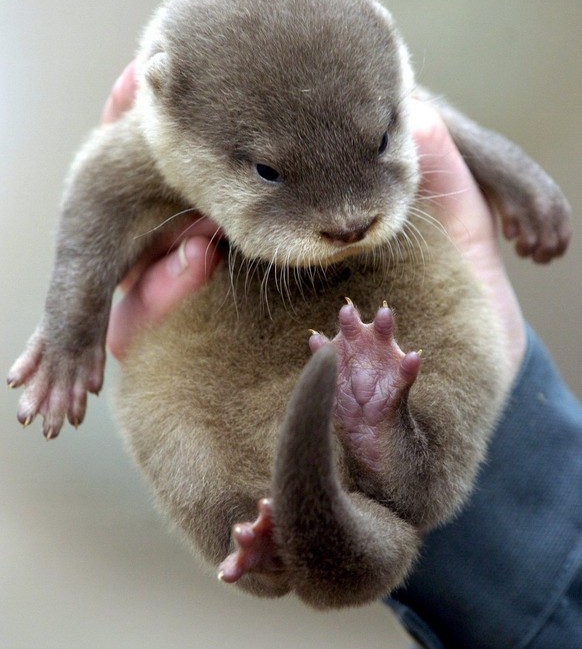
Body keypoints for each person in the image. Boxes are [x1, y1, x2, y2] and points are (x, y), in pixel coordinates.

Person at [103, 64, 582, 648]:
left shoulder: (364, 70)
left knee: (434, 405)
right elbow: (94, 210)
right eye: (269, 167)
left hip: (398, 338)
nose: (346, 220)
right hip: (250, 403)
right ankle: (273, 528)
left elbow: (423, 116)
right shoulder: (170, 118)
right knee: (169, 417)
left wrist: (516, 179)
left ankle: (377, 453)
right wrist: (65, 333)